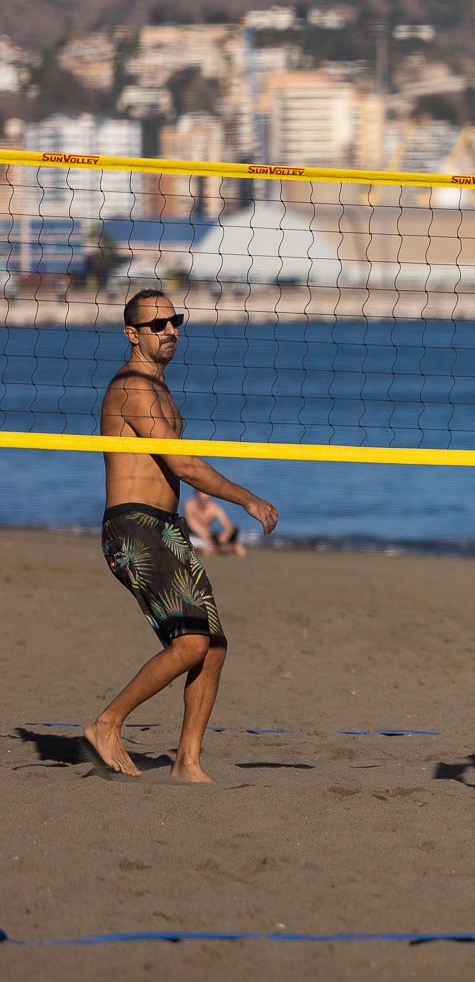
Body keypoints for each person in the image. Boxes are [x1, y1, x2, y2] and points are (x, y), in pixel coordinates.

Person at [83, 290, 279, 782]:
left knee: (212, 646)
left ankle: (187, 763)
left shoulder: (157, 385)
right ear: (132, 334)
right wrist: (247, 499)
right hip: (134, 527)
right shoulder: (133, 386)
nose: (170, 330)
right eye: (158, 325)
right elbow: (183, 464)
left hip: (163, 527)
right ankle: (106, 723)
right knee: (192, 644)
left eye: (175, 320)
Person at [183, 491, 245, 556]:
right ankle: (222, 549)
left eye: (207, 499)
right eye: (202, 499)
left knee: (235, 530)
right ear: (197, 496)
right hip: (193, 535)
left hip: (208, 538)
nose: (204, 502)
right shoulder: (190, 505)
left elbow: (228, 525)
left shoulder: (214, 508)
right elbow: (190, 522)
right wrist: (205, 536)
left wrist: (226, 534)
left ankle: (215, 549)